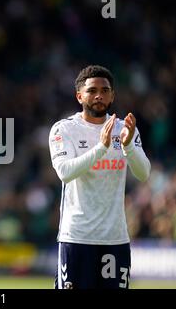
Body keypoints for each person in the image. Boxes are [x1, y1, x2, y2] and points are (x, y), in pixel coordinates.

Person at [48, 65, 151, 289]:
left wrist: (128, 147)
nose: (99, 95)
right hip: (76, 237)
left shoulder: (125, 129)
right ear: (79, 96)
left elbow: (144, 174)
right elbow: (65, 173)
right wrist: (101, 148)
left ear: (112, 95)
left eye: (105, 90)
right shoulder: (64, 129)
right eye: (92, 90)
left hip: (115, 237)